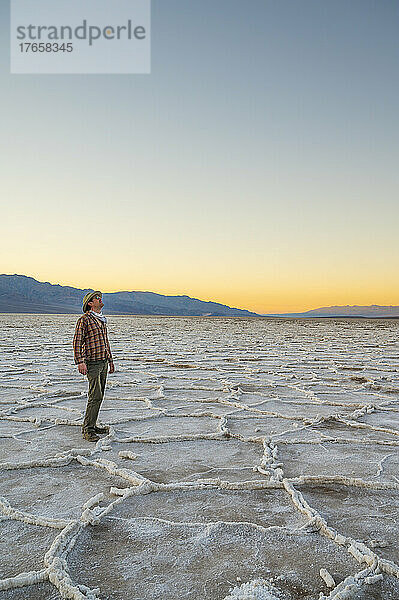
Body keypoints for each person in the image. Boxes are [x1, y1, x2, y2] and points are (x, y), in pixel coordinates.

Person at [73, 291, 115, 442]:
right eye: (97, 298)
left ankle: (92, 424)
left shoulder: (101, 320)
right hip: (92, 363)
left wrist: (110, 360)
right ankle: (88, 430)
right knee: (94, 395)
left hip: (103, 362)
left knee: (99, 395)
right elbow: (77, 342)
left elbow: (105, 342)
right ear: (90, 303)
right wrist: (80, 361)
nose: (100, 299)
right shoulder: (84, 320)